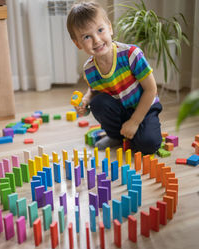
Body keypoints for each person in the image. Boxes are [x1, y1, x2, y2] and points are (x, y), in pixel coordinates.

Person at [67, 1, 162, 154]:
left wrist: (135, 121)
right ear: (77, 43)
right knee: (98, 103)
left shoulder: (131, 54)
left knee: (149, 145)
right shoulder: (89, 68)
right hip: (120, 109)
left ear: (110, 28)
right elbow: (94, 91)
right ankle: (116, 136)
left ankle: (136, 130)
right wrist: (84, 102)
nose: (97, 40)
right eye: (86, 37)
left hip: (144, 106)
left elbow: (151, 90)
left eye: (100, 30)